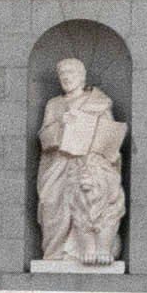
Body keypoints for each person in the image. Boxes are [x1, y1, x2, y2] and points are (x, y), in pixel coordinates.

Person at [34, 58, 125, 272]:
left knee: (92, 204)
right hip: (59, 165)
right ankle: (56, 252)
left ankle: (92, 249)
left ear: (82, 77)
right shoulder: (54, 104)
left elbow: (108, 138)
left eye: (71, 73)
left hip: (88, 165)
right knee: (50, 203)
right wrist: (61, 126)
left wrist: (86, 125)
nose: (66, 77)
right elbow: (44, 137)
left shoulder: (99, 102)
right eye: (62, 74)